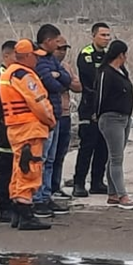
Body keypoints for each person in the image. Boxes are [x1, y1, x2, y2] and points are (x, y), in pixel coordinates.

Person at [0, 39, 58, 230]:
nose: (38, 61)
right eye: (35, 56)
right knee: (30, 168)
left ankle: (17, 210)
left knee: (19, 168)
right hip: (29, 128)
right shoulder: (24, 75)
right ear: (28, 56)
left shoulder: (7, 73)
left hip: (15, 127)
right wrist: (51, 120)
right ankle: (26, 213)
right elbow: (38, 102)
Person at [33, 24, 73, 218]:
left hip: (56, 115)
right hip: (44, 116)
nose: (59, 46)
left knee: (50, 159)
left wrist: (60, 77)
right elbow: (51, 84)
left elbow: (67, 78)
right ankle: (38, 198)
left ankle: (46, 195)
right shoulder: (39, 60)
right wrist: (59, 79)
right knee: (41, 159)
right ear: (48, 41)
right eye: (57, 42)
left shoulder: (50, 59)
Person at [95, 40, 133, 210]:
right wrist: (97, 115)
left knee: (114, 157)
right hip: (111, 118)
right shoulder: (106, 72)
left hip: (124, 117)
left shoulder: (122, 72)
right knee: (116, 158)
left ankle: (113, 193)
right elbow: (99, 95)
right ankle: (122, 194)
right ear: (121, 54)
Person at [73, 22, 112, 197]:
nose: (106, 38)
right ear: (94, 36)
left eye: (108, 35)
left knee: (103, 147)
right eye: (103, 35)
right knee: (87, 146)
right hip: (89, 106)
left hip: (105, 107)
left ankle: (97, 182)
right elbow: (91, 81)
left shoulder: (108, 55)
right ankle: (79, 183)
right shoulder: (86, 54)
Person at [0, 40, 18, 224]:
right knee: (6, 166)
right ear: (6, 56)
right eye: (16, 55)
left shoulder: (17, 74)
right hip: (7, 126)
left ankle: (16, 204)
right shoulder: (1, 75)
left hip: (18, 127)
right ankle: (5, 207)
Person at [51, 41, 81, 198]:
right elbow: (54, 85)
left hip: (65, 115)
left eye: (64, 49)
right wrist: (64, 81)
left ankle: (55, 186)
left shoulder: (66, 67)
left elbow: (77, 85)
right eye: (59, 49)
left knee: (61, 153)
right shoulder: (45, 66)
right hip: (51, 116)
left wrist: (64, 79)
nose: (62, 52)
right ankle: (46, 189)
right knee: (49, 156)